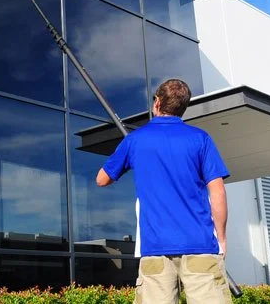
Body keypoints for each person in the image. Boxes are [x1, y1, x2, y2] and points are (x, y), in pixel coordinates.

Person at [96, 79, 230, 304]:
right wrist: (222, 238)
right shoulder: (200, 139)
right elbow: (218, 191)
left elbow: (102, 179)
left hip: (155, 249)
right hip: (200, 244)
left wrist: (129, 155)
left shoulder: (135, 140)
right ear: (183, 107)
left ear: (157, 103)